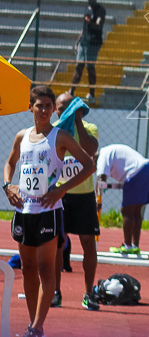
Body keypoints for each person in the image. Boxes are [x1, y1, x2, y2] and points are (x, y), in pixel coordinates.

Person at [3, 85, 96, 337]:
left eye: (48, 106)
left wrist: (62, 189)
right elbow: (10, 163)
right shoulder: (22, 136)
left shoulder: (61, 137)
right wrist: (8, 186)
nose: (43, 110)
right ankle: (34, 328)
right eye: (39, 105)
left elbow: (89, 165)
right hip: (24, 211)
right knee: (28, 269)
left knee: (46, 269)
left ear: (53, 109)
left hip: (48, 212)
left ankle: (36, 327)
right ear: (30, 107)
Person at [52, 93, 101, 311]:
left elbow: (90, 151)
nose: (65, 112)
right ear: (55, 110)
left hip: (84, 195)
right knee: (56, 245)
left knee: (88, 243)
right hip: (61, 195)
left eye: (70, 107)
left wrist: (78, 121)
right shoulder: (53, 129)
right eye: (61, 108)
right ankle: (55, 292)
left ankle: (89, 293)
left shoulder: (89, 128)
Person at [96, 144, 149, 255]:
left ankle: (128, 246)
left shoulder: (102, 157)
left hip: (137, 172)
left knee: (127, 211)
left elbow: (101, 179)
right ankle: (135, 246)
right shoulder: (110, 151)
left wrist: (97, 200)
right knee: (136, 211)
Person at [69, 0, 106, 105]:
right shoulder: (87, 8)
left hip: (93, 43)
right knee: (79, 66)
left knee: (90, 67)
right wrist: (78, 41)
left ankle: (92, 94)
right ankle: (71, 91)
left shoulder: (100, 10)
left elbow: (99, 26)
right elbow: (84, 27)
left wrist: (91, 22)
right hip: (83, 42)